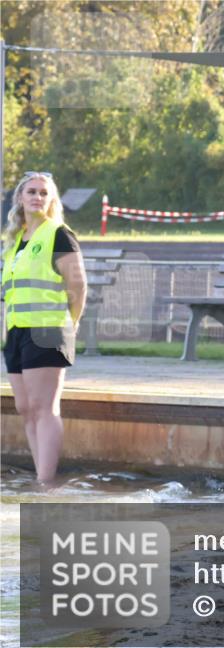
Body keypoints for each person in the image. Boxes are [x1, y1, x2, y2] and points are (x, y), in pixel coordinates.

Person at [2, 172, 87, 486]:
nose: (37, 197)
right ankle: (41, 476)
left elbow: (77, 285)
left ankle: (46, 484)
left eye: (43, 193)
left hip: (48, 330)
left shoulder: (59, 234)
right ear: (20, 199)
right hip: (16, 333)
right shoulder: (15, 243)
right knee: (25, 408)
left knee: (44, 407)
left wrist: (71, 325)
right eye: (31, 192)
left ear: (51, 200)